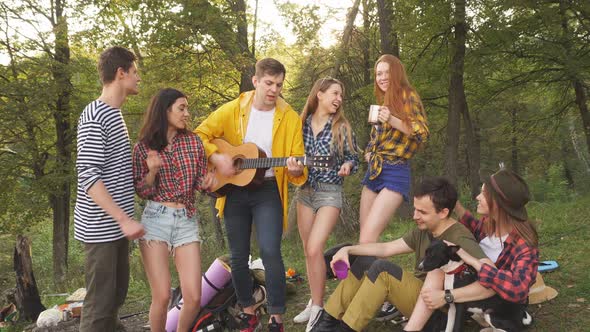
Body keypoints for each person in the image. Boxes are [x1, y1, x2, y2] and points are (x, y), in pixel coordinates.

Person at [195, 58, 307, 332]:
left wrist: (295, 169)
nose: (274, 90)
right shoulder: (234, 109)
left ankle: (276, 317)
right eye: (269, 83)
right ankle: (248, 310)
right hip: (234, 191)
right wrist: (218, 157)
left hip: (267, 188)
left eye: (279, 85)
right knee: (238, 256)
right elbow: (199, 134)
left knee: (270, 251)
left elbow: (297, 167)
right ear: (256, 81)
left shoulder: (289, 116)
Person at [310, 177, 488, 332]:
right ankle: (326, 322)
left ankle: (346, 329)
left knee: (383, 271)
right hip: (420, 298)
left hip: (439, 312)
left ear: (443, 212)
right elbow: (386, 249)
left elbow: (492, 280)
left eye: (422, 212)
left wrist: (448, 296)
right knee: (365, 259)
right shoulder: (425, 230)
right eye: (415, 209)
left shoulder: (459, 237)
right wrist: (348, 250)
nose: (415, 216)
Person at [410, 167, 539, 331]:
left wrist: (474, 263)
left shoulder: (524, 246)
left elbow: (517, 288)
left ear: (498, 203)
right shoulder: (488, 224)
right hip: (475, 296)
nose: (477, 196)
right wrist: (450, 200)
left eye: (483, 194)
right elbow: (470, 222)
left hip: (502, 307)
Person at [132, 88, 215, 332]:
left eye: (187, 108)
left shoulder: (193, 141)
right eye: (182, 108)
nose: (187, 113)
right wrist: (152, 172)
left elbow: (201, 182)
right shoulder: (143, 147)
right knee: (161, 296)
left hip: (186, 219)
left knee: (193, 296)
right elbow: (141, 190)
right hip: (156, 219)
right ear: (164, 110)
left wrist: (210, 185)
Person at [74, 46, 145, 332]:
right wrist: (124, 219)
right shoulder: (95, 115)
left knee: (113, 302)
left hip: (115, 229)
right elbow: (89, 176)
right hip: (101, 228)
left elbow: (115, 174)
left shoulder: (114, 114)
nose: (138, 78)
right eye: (135, 72)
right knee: (99, 310)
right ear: (121, 73)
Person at [292, 77, 360, 331]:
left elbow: (354, 157)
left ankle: (319, 311)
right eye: (335, 93)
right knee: (310, 253)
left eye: (341, 95)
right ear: (319, 94)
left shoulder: (341, 126)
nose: (339, 99)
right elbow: (291, 155)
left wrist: (347, 165)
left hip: (331, 192)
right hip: (305, 191)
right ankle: (314, 301)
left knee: (314, 248)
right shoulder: (301, 124)